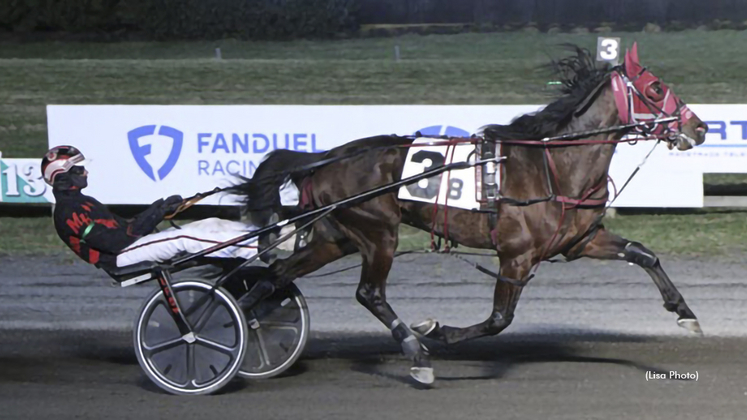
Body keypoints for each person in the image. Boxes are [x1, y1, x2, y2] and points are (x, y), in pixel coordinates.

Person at [43, 145, 260, 271]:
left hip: (129, 247)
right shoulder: (69, 212)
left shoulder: (83, 202)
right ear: (64, 176)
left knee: (209, 224)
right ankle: (249, 253)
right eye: (80, 170)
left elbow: (125, 227)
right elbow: (114, 241)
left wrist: (161, 209)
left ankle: (256, 239)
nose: (86, 173)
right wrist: (156, 214)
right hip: (120, 257)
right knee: (184, 238)